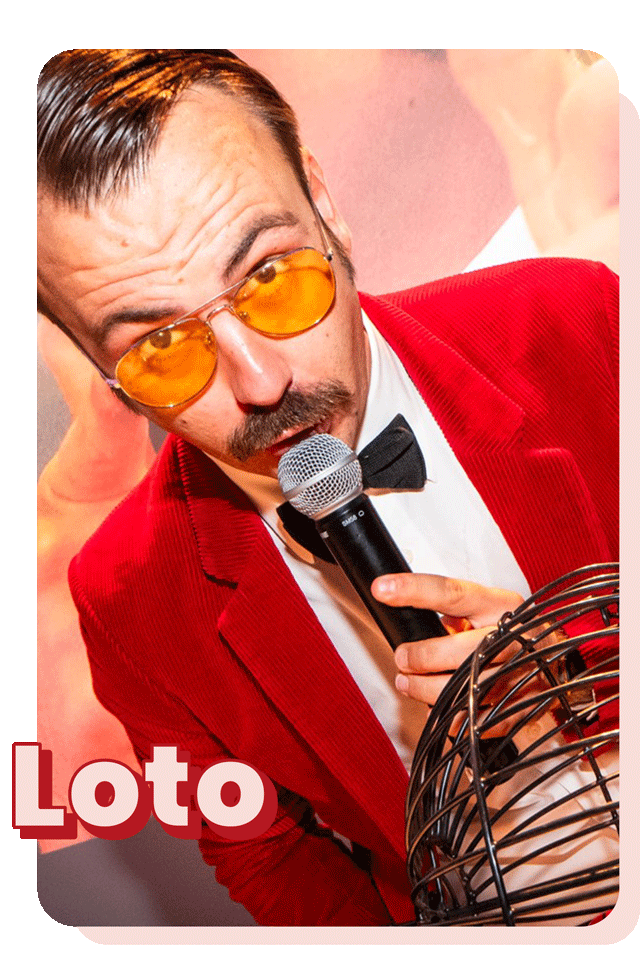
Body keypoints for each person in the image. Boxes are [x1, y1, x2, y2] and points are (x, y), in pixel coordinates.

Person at [36, 50, 618, 926]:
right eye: (160, 348)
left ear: (325, 202)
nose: (262, 382)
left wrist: (601, 660)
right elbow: (263, 851)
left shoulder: (583, 322)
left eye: (271, 278)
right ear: (101, 369)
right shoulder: (129, 602)